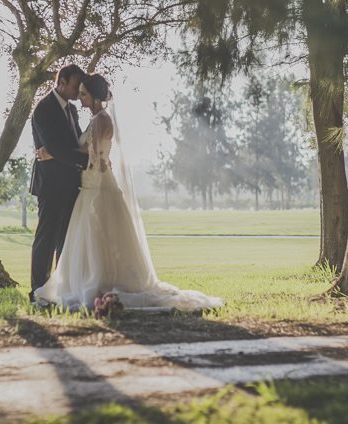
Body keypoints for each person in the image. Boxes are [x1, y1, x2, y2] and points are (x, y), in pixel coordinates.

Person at [34, 73, 223, 311]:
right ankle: (92, 279)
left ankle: (99, 281)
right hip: (90, 184)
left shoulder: (100, 120)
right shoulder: (96, 118)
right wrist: (58, 152)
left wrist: (51, 153)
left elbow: (92, 156)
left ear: (94, 97)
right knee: (90, 237)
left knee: (97, 235)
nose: (79, 98)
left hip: (96, 185)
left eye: (83, 94)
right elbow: (85, 149)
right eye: (78, 93)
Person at [28, 64, 88, 303]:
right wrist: (87, 160)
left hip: (71, 183)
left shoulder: (71, 110)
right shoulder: (43, 109)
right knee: (47, 238)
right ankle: (38, 291)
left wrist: (71, 153)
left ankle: (60, 289)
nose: (78, 91)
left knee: (65, 239)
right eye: (75, 86)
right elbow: (55, 146)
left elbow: (74, 142)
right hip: (51, 184)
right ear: (61, 82)